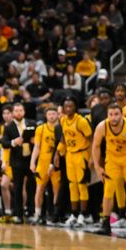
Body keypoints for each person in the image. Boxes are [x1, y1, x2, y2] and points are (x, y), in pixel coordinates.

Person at [92, 103, 126, 234]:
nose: (113, 117)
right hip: (112, 160)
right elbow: (96, 146)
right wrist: (97, 167)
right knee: (108, 190)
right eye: (110, 114)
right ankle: (105, 223)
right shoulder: (102, 127)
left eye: (116, 114)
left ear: (122, 115)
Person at [56, 97, 93, 227]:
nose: (68, 109)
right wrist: (57, 153)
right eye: (66, 106)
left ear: (75, 107)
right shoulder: (63, 120)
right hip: (69, 155)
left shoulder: (81, 121)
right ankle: (74, 214)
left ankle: (84, 214)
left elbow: (92, 138)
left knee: (82, 186)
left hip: (81, 154)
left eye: (71, 106)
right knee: (72, 185)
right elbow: (63, 137)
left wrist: (92, 157)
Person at [2, 103, 35, 223]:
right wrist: (14, 142)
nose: (18, 113)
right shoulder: (8, 127)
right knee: (18, 188)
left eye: (20, 110)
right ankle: (19, 214)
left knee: (32, 187)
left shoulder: (32, 123)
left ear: (24, 112)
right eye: (16, 111)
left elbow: (38, 139)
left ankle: (31, 212)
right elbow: (4, 143)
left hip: (30, 160)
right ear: (13, 113)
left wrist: (33, 140)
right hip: (17, 162)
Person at [28, 107, 61, 225]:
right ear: (46, 116)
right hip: (42, 163)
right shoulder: (40, 129)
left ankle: (55, 215)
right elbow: (36, 147)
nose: (51, 116)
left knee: (56, 190)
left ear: (58, 115)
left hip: (56, 163)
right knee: (39, 189)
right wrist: (32, 162)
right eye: (49, 114)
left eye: (53, 114)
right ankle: (37, 214)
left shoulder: (60, 128)